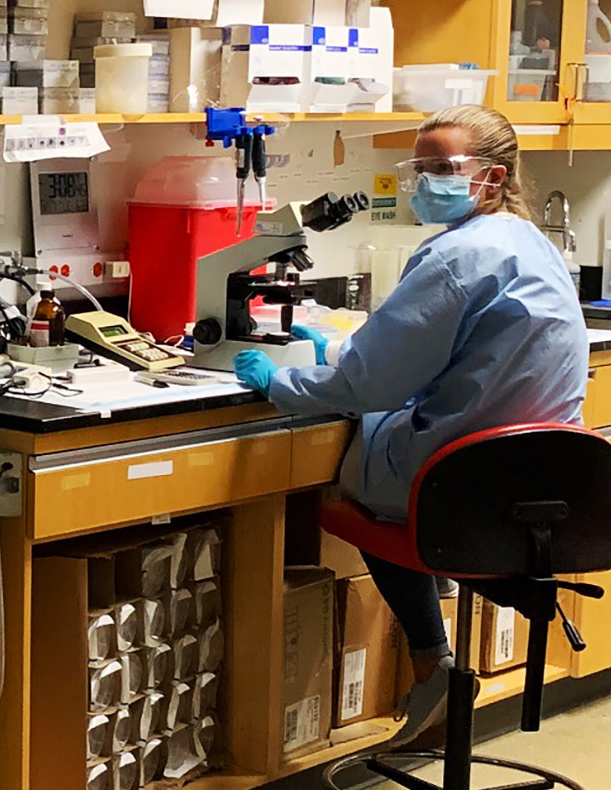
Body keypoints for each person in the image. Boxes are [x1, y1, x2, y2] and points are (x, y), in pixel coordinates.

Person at [231, 104, 588, 739]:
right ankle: (440, 626)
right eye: (418, 168)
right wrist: (345, 361)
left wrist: (282, 383)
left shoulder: (456, 256)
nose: (426, 183)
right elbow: (454, 360)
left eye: (442, 168)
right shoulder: (530, 241)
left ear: (493, 177)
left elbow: (369, 383)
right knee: (387, 443)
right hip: (541, 485)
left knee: (359, 477)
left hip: (463, 485)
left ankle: (432, 660)